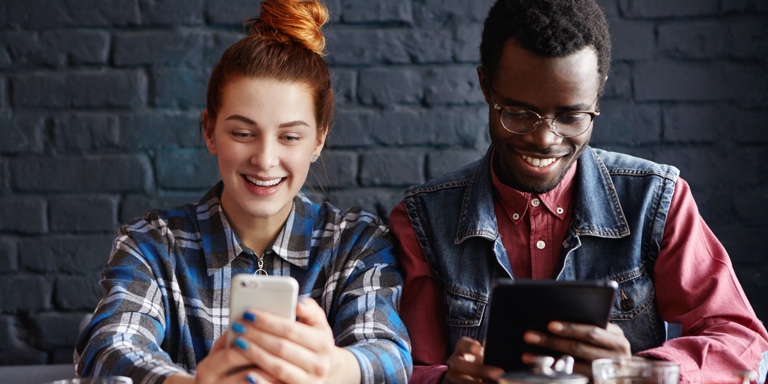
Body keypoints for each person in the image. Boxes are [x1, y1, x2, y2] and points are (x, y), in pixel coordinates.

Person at [388, 0, 768, 383]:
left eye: (571, 117)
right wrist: (448, 379)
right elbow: (405, 370)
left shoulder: (655, 201)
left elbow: (741, 340)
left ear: (597, 96)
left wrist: (639, 371)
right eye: (518, 113)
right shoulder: (423, 221)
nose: (544, 138)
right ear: (487, 87)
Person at [74, 1, 412, 383]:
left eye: (289, 136)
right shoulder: (151, 245)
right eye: (243, 133)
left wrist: (335, 369)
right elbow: (108, 348)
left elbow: (389, 353)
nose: (265, 160)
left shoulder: (356, 243)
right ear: (209, 131)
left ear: (318, 140)